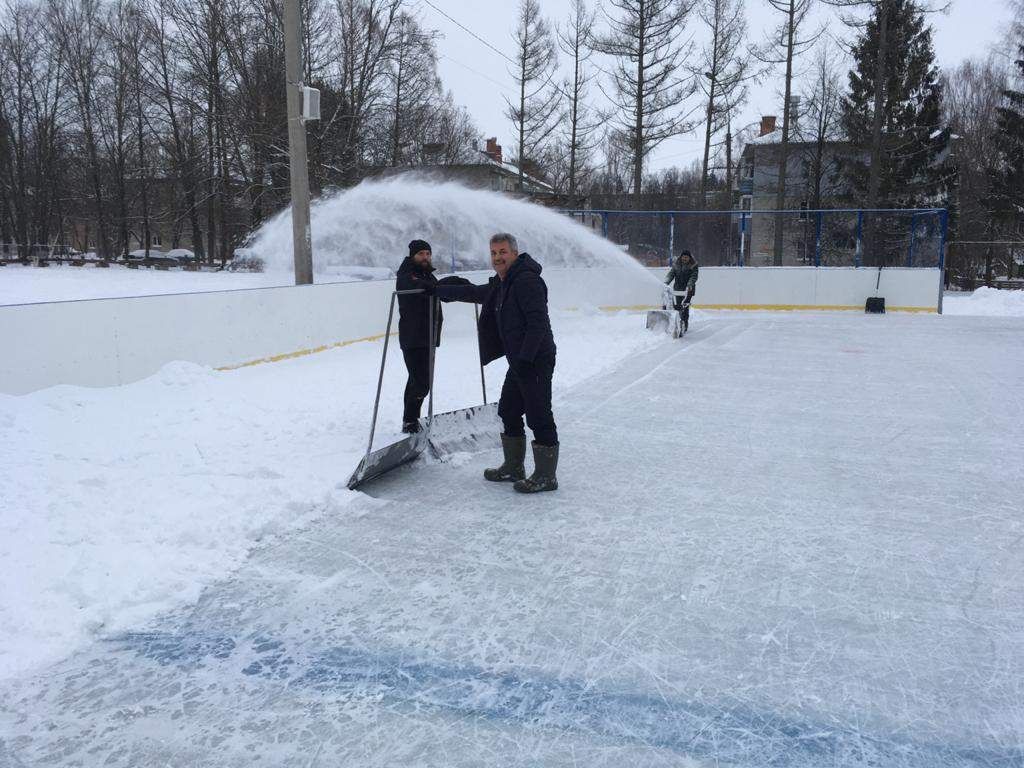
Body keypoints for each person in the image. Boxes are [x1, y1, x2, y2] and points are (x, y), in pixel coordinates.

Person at [429, 232, 559, 494]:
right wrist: (438, 290)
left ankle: (547, 476)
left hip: (534, 360)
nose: (498, 257)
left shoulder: (527, 281)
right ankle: (514, 467)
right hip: (520, 360)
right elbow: (477, 292)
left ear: (515, 252)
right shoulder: (504, 282)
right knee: (509, 411)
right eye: (493, 253)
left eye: (503, 252)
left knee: (539, 415)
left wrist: (525, 359)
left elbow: (538, 324)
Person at [395, 239, 442, 434]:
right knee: (421, 382)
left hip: (428, 337)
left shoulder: (427, 275)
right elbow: (416, 287)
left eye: (428, 254)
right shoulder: (406, 274)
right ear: (413, 256)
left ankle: (410, 420)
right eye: (421, 254)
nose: (425, 257)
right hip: (413, 337)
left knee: (418, 380)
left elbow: (437, 290)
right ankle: (410, 420)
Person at [665, 249, 699, 333]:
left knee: (684, 306)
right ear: (681, 257)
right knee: (676, 306)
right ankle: (676, 322)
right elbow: (671, 274)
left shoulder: (693, 265)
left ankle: (684, 323)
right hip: (677, 289)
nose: (685, 259)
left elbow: (694, 277)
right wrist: (666, 282)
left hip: (688, 289)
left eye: (686, 257)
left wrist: (690, 284)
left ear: (689, 258)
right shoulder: (676, 264)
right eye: (683, 257)